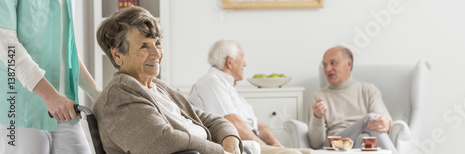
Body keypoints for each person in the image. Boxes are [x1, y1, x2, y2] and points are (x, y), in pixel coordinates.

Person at [93, 6, 243, 154]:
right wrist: (221, 152)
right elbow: (163, 140)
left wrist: (230, 142)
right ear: (117, 55)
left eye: (157, 43)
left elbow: (208, 119)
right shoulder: (119, 97)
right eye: (144, 46)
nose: (156, 53)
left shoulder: (156, 87)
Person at [0, 0, 102, 153]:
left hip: (64, 107)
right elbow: (6, 44)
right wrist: (50, 97)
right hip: (23, 109)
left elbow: (67, 49)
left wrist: (95, 93)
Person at [189, 39, 311, 154]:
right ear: (230, 62)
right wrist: (264, 146)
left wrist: (277, 145)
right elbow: (233, 123)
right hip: (242, 146)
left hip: (254, 143)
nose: (245, 64)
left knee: (311, 152)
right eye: (242, 58)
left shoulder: (229, 87)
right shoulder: (212, 82)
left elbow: (259, 126)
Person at [307, 46, 399, 154]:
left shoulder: (368, 90)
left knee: (364, 137)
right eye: (325, 64)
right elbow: (316, 144)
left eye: (333, 63)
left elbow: (382, 120)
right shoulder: (318, 97)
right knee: (370, 119)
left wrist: (386, 122)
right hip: (334, 145)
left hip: (359, 143)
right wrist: (318, 117)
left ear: (349, 64)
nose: (327, 69)